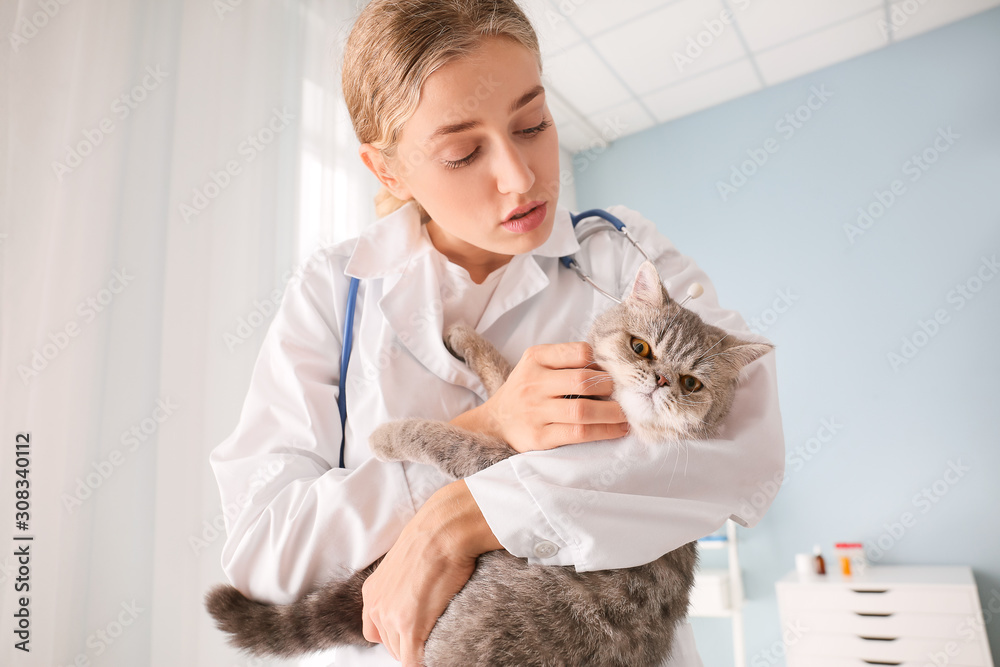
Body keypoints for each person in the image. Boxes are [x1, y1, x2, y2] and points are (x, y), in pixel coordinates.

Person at [208, 1, 785, 666]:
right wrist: (490, 424)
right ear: (388, 171)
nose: (521, 176)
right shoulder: (330, 292)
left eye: (533, 122)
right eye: (462, 152)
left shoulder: (620, 252)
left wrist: (466, 515)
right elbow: (264, 556)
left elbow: (747, 441)